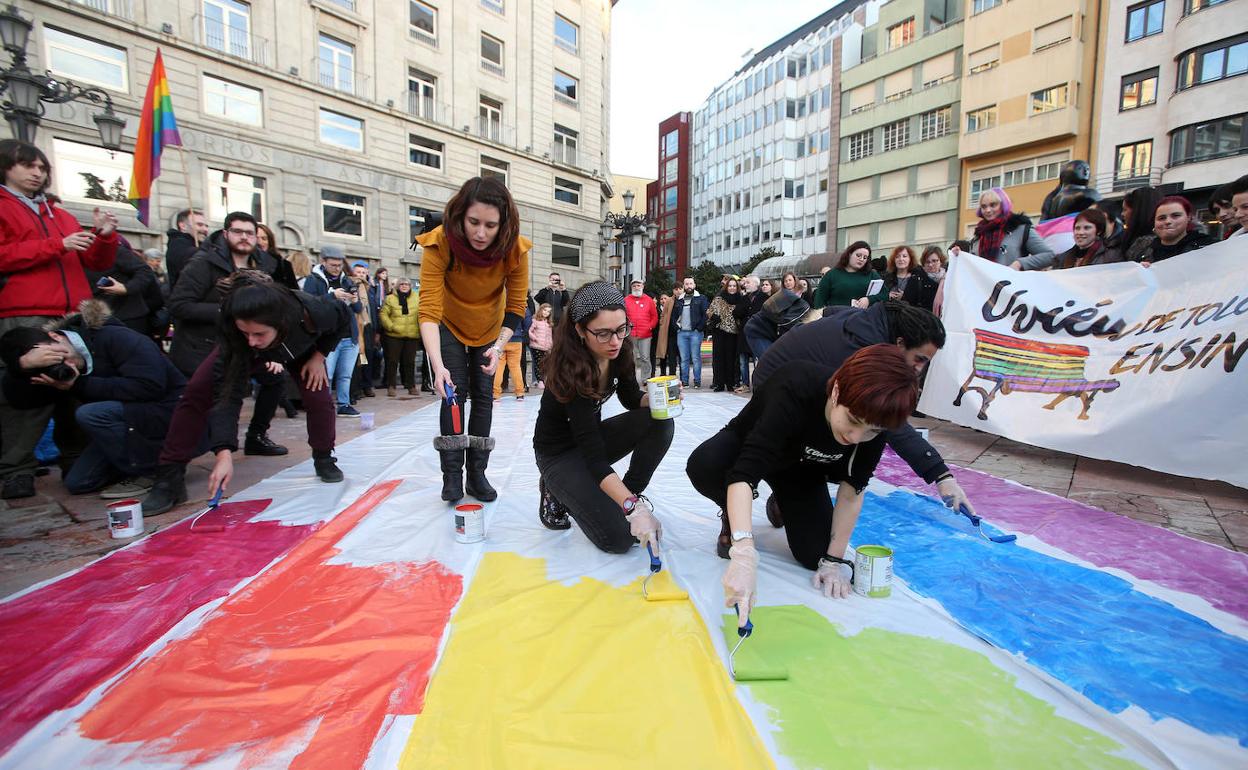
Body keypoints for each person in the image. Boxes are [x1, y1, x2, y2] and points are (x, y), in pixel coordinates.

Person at [686, 345, 919, 613]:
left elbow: (852, 489)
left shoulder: (875, 421)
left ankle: (781, 502)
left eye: (871, 431)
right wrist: (744, 550)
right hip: (749, 448)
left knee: (814, 554)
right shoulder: (795, 386)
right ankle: (733, 512)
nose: (856, 437)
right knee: (705, 464)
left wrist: (833, 560)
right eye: (852, 420)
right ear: (836, 391)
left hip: (801, 469)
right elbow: (743, 475)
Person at [750, 300, 979, 519]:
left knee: (852, 435)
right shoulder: (862, 350)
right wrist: (939, 474)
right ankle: (778, 492)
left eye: (926, 362)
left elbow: (829, 311)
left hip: (798, 379)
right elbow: (891, 424)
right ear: (900, 344)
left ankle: (794, 488)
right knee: (833, 439)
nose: (919, 369)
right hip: (775, 390)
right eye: (919, 359)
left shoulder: (870, 321)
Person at [144, 273, 349, 514]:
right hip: (240, 353)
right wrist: (223, 452)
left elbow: (344, 318)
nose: (252, 340)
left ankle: (324, 458)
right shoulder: (238, 335)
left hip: (300, 349)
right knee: (197, 391)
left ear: (280, 324)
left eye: (259, 334)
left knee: (319, 399)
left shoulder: (314, 311)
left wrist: (319, 356)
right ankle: (170, 475)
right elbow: (227, 394)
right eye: (246, 332)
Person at [0, 139, 120, 500]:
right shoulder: (4, 208)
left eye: (41, 168)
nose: (37, 173)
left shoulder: (59, 213)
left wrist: (105, 237)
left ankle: (77, 459)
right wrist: (57, 245)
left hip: (71, 313)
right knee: (28, 389)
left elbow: (95, 263)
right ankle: (15, 468)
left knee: (75, 387)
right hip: (26, 311)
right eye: (28, 166)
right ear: (7, 167)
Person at [532, 282, 673, 550]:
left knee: (661, 421)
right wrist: (635, 511)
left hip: (590, 439)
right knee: (619, 540)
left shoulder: (620, 350)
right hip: (559, 455)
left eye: (622, 329)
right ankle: (554, 487)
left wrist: (657, 398)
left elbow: (631, 397)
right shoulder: (569, 371)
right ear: (580, 330)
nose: (616, 341)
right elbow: (594, 459)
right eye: (604, 333)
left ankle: (627, 496)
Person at [418, 176, 530, 503]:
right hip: (449, 324)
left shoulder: (514, 249)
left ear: (504, 224)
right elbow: (428, 311)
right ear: (460, 216)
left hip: (491, 329)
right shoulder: (439, 243)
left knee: (484, 395)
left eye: (491, 225)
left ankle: (477, 475)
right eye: (473, 222)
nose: (481, 233)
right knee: (453, 393)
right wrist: (437, 366)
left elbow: (516, 307)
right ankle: (451, 475)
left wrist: (498, 347)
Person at [0, 300, 184, 498]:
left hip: (170, 413)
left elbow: (151, 387)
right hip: (128, 422)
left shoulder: (117, 337)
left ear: (54, 336)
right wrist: (21, 367)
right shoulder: (55, 372)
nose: (62, 363)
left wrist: (80, 384)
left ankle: (155, 470)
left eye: (55, 355)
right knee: (78, 482)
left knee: (90, 414)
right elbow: (20, 402)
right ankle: (133, 463)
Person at [166, 212, 288, 456]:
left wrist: (274, 350)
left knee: (276, 379)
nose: (244, 237)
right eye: (237, 232)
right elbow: (178, 305)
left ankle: (256, 436)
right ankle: (173, 466)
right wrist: (227, 311)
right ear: (225, 234)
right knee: (201, 401)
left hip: (248, 345)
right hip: (204, 346)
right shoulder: (203, 262)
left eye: (249, 233)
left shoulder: (264, 264)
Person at [302, 245, 363, 416]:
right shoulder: (313, 280)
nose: (337, 269)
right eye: (333, 265)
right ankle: (323, 406)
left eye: (340, 265)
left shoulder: (347, 280)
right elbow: (309, 305)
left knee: (345, 375)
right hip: (327, 338)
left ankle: (344, 404)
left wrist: (355, 299)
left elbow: (358, 309)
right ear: (323, 262)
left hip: (349, 336)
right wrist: (332, 296)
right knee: (326, 375)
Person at [965, 187, 1054, 270]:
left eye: (993, 205)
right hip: (984, 286)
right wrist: (958, 255)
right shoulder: (979, 236)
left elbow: (1049, 256)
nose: (988, 210)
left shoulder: (1020, 229)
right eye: (984, 207)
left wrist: (1020, 264)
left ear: (1002, 205)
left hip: (1013, 285)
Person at [1137, 196, 1216, 265]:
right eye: (1161, 218)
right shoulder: (1142, 252)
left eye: (1175, 216)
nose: (1168, 221)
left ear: (1189, 217)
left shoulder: (1209, 248)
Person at [814, 242, 887, 309]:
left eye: (865, 257)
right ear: (849, 254)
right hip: (836, 319)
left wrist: (869, 300)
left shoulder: (872, 274)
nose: (861, 259)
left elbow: (885, 294)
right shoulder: (832, 274)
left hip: (864, 319)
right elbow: (819, 300)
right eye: (858, 255)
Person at [381, 277, 421, 396]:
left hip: (412, 335)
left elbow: (421, 313)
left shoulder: (417, 298)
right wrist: (391, 326)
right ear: (398, 286)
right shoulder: (390, 298)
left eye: (407, 284)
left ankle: (411, 386)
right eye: (402, 284)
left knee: (410, 362)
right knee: (392, 361)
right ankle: (391, 385)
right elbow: (383, 314)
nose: (404, 286)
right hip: (394, 335)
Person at [672, 276, 709, 388]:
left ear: (694, 285)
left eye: (691, 284)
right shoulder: (679, 300)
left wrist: (699, 328)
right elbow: (674, 316)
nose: (689, 286)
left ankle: (697, 381)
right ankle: (685, 381)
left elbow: (705, 315)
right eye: (686, 284)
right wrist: (677, 328)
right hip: (682, 333)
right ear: (684, 286)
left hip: (695, 333)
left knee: (696, 358)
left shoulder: (701, 298)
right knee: (684, 359)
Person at [707, 277, 742, 392]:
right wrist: (713, 317)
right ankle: (719, 383)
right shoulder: (719, 298)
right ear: (726, 286)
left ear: (737, 287)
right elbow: (709, 310)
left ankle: (731, 383)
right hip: (719, 331)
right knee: (719, 358)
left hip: (733, 332)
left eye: (734, 286)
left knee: (731, 358)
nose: (732, 288)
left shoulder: (741, 299)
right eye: (730, 286)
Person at [1054, 209, 1120, 269]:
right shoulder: (1061, 258)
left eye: (1087, 228)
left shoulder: (1110, 256)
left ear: (1099, 231)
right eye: (1077, 228)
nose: (1080, 232)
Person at [492, 299, 530, 401]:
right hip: (516, 338)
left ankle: (496, 394)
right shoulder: (520, 303)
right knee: (516, 367)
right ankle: (520, 393)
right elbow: (528, 321)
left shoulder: (498, 303)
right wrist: (522, 332)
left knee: (499, 367)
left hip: (500, 338)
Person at [732, 275, 764, 394]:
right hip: (744, 333)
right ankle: (745, 384)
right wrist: (746, 307)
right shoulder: (744, 298)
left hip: (757, 333)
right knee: (743, 360)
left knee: (758, 360)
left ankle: (757, 384)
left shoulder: (763, 297)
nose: (746, 285)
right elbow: (736, 312)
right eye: (746, 283)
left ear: (756, 284)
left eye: (749, 283)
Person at [624, 279, 658, 385]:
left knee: (645, 357)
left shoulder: (648, 300)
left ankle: (646, 378)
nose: (636, 287)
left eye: (638, 285)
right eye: (634, 286)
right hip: (631, 334)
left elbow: (654, 316)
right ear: (631, 288)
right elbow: (622, 314)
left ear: (642, 286)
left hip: (645, 334)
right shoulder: (626, 300)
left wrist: (650, 327)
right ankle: (631, 378)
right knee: (631, 358)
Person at [165, 208, 208, 290]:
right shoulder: (177, 245)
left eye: (206, 226)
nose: (205, 229)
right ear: (183, 226)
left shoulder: (202, 245)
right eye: (199, 225)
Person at [884, 246, 937, 310]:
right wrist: (887, 296)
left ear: (910, 259)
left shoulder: (919, 276)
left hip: (911, 315)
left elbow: (926, 298)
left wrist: (905, 296)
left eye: (904, 256)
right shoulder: (887, 277)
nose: (901, 259)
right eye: (897, 257)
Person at [528, 302, 554, 388]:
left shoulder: (548, 323)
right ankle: (540, 381)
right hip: (536, 346)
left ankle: (544, 379)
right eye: (545, 310)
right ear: (541, 310)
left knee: (545, 364)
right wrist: (535, 338)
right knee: (539, 363)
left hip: (546, 347)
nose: (546, 312)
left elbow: (549, 336)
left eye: (548, 311)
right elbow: (529, 331)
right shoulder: (535, 320)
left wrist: (550, 344)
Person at [654, 289, 679, 377]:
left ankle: (672, 373)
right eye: (661, 299)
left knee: (672, 355)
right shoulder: (657, 309)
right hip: (661, 335)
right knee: (662, 355)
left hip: (672, 335)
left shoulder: (672, 308)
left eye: (665, 298)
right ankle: (662, 373)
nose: (663, 300)